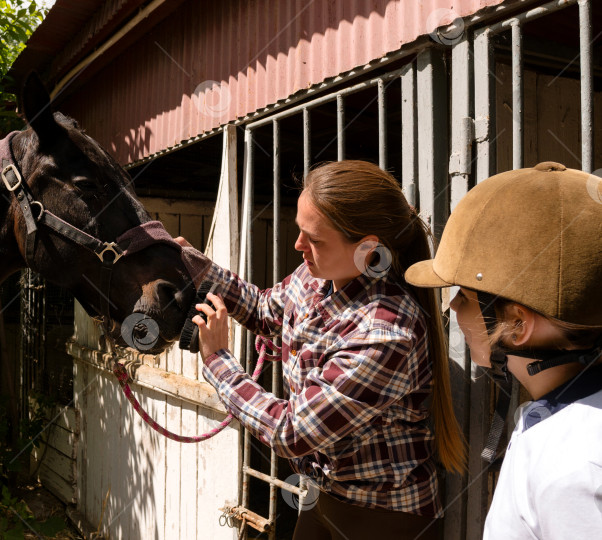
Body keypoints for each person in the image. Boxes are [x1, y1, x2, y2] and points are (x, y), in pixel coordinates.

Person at [176, 160, 465, 540]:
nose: (298, 246)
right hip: (327, 496)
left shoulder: (386, 332)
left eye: (314, 239)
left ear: (366, 251)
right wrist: (192, 265)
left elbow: (293, 431)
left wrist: (219, 362)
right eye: (300, 231)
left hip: (385, 517)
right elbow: (265, 309)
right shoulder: (314, 278)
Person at [403, 161, 602, 539]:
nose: (453, 307)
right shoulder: (562, 416)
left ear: (517, 325)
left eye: (465, 295)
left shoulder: (575, 469)